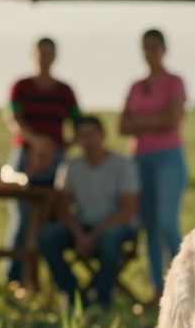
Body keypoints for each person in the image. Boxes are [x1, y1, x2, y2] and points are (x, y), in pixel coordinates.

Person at [3, 36, 81, 288]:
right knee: (22, 217)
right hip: (25, 155)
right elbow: (14, 118)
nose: (44, 57)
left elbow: (79, 123)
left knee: (53, 215)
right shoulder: (21, 86)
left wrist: (61, 146)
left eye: (48, 52)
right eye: (40, 53)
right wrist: (37, 142)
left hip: (57, 159)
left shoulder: (65, 91)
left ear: (55, 55)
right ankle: (14, 277)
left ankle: (47, 279)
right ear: (33, 55)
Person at [38, 116, 139, 308]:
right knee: (47, 236)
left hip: (115, 227)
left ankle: (102, 297)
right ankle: (73, 293)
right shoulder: (70, 166)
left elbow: (128, 208)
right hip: (81, 226)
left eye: (92, 134)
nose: (88, 140)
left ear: (103, 135)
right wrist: (79, 234)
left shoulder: (122, 165)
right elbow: (62, 207)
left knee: (111, 239)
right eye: (82, 136)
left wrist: (93, 234)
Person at [119, 28, 187, 303]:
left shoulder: (174, 82)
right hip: (139, 160)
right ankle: (158, 288)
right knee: (148, 225)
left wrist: (140, 122)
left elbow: (173, 119)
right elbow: (122, 125)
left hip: (168, 157)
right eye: (145, 47)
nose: (150, 52)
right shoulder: (136, 85)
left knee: (166, 222)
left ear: (164, 49)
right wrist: (153, 120)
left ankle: (184, 284)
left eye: (154, 47)